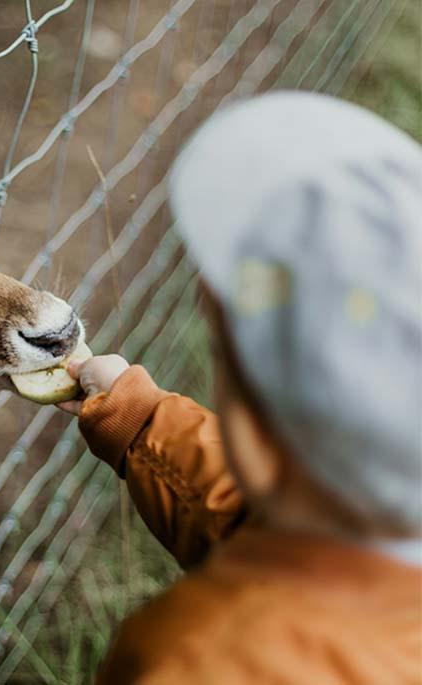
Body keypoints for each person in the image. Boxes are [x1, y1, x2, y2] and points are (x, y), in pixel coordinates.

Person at [59, 91, 422, 684]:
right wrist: (141, 421)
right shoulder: (370, 535)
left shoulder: (204, 661)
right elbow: (274, 529)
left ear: (254, 433)